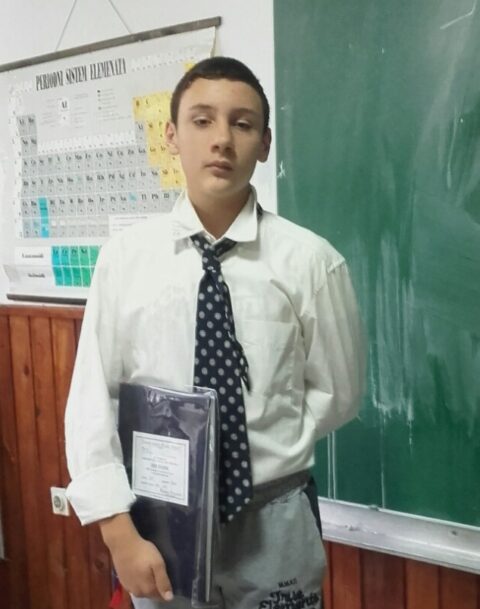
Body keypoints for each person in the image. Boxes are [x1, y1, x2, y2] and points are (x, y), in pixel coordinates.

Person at [65, 56, 365, 609]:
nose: (222, 139)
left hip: (276, 514)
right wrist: (118, 532)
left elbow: (338, 393)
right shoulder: (125, 260)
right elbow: (92, 402)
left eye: (242, 124)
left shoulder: (311, 263)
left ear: (265, 143)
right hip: (161, 512)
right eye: (202, 121)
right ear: (171, 136)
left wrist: (265, 440)